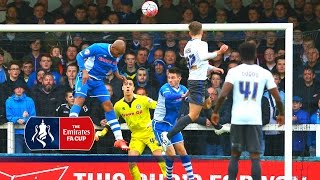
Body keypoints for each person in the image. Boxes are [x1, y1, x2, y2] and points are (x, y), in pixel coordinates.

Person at [211, 42, 285, 180]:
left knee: (235, 155)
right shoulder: (264, 73)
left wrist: (215, 112)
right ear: (255, 54)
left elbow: (222, 95)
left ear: (240, 56)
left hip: (238, 118)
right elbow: (277, 98)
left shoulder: (234, 71)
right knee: (255, 157)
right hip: (254, 119)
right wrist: (281, 113)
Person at [160, 21, 228, 149]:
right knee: (193, 115)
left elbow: (198, 63)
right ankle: (167, 136)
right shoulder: (202, 44)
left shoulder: (187, 46)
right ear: (202, 32)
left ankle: (217, 127)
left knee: (207, 104)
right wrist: (219, 52)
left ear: (190, 33)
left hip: (197, 80)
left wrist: (213, 68)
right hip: (197, 82)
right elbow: (203, 57)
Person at [68, 40, 129, 150]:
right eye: (118, 53)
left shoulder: (116, 55)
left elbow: (114, 65)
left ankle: (119, 139)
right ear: (113, 48)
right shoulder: (98, 47)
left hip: (98, 82)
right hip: (85, 77)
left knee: (108, 105)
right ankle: (71, 126)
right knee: (80, 99)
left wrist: (118, 76)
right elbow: (79, 56)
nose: (119, 55)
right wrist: (84, 71)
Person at [113, 78, 166, 180]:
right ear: (122, 88)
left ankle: (167, 176)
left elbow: (160, 107)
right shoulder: (118, 105)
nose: (128, 86)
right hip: (136, 136)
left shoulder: (143, 99)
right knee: (131, 162)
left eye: (130, 84)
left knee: (158, 155)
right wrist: (103, 131)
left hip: (150, 132)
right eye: (125, 84)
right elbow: (113, 121)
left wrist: (154, 120)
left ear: (133, 88)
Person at [152, 67, 194, 180]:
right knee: (171, 153)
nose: (170, 80)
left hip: (172, 125)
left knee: (182, 150)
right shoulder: (165, 88)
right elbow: (168, 96)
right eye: (169, 77)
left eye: (173, 77)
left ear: (179, 78)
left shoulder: (183, 89)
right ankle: (169, 177)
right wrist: (182, 96)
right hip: (160, 125)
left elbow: (190, 100)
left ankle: (191, 177)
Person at [6, 81, 36, 153]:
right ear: (14, 89)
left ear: (24, 89)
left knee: (29, 157)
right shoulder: (9, 101)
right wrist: (17, 119)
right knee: (18, 156)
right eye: (17, 88)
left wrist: (25, 119)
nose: (19, 89)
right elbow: (9, 116)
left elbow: (33, 116)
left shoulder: (30, 100)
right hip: (15, 133)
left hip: (28, 132)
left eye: (21, 88)